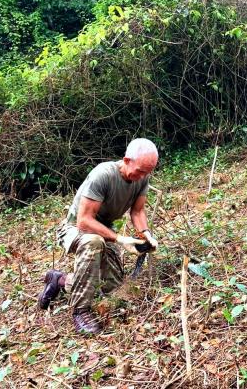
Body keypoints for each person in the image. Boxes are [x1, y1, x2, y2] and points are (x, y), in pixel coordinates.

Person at [37, 138, 160, 334]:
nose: (143, 176)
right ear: (127, 160)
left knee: (111, 289)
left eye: (148, 172)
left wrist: (146, 234)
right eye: (140, 171)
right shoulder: (103, 175)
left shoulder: (141, 178)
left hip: (104, 231)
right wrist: (119, 239)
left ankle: (59, 280)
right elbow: (84, 221)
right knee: (93, 241)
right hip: (75, 229)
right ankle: (80, 311)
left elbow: (137, 212)